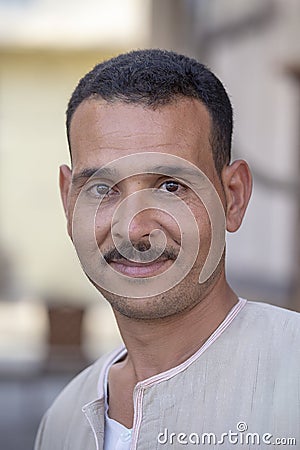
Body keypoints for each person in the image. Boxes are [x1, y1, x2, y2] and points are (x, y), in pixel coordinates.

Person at [34, 49, 300, 450]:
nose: (134, 229)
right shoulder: (64, 420)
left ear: (233, 197)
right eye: (103, 189)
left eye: (171, 186)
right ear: (69, 203)